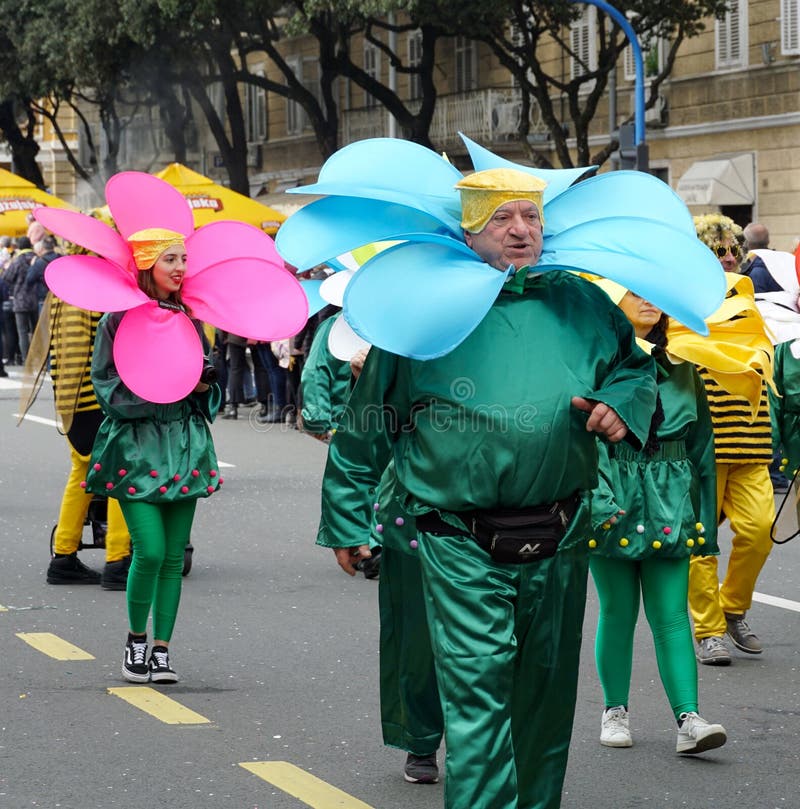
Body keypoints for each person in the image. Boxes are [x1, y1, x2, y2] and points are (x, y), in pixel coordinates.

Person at [315, 169, 659, 809]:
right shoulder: (424, 313)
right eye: (503, 218)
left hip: (561, 537)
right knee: (477, 701)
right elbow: (368, 425)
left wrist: (619, 403)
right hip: (460, 543)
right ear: (470, 230)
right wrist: (347, 520)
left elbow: (636, 372)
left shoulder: (580, 302)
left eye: (530, 216)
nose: (521, 229)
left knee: (545, 702)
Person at [588, 280, 726, 755]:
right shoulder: (595, 362)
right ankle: (614, 710)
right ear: (610, 299)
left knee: (670, 617)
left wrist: (704, 522)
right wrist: (595, 499)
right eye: (633, 291)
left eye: (654, 292)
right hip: (614, 493)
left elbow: (703, 448)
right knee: (618, 611)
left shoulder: (686, 364)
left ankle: (689, 718)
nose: (648, 300)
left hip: (671, 501)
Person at [689, 214, 775, 666]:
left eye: (730, 251)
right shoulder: (683, 305)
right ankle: (707, 631)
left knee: (760, 532)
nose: (726, 257)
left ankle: (732, 607)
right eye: (716, 250)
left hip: (752, 441)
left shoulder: (753, 304)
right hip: (702, 446)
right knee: (701, 543)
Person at [4, 236, 39, 362]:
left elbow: (7, 278)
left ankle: (26, 359)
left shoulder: (17, 261)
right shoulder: (37, 259)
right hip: (35, 300)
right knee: (36, 332)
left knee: (23, 332)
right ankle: (39, 359)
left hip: (20, 301)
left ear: (19, 246)